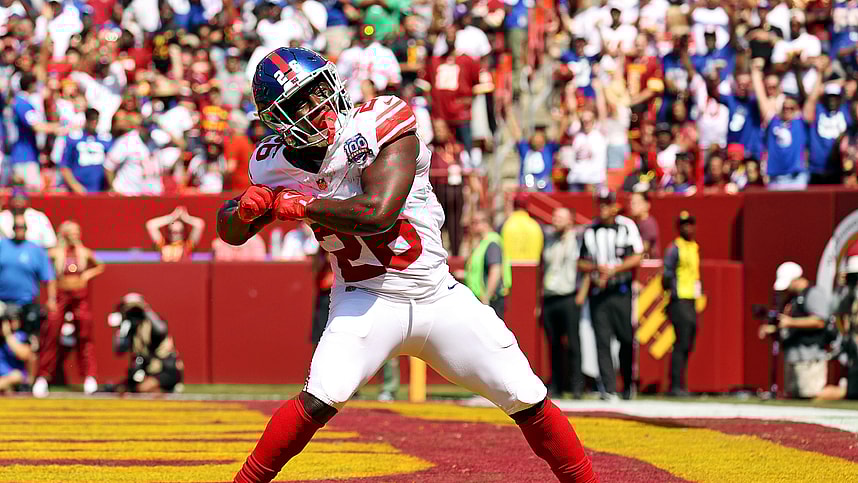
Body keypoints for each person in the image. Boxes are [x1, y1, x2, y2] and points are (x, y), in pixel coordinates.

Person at [217, 47, 596, 483]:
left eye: (319, 89)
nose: (318, 105)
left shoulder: (381, 120)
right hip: (365, 299)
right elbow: (230, 230)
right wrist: (244, 212)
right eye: (300, 101)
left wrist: (300, 205)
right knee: (321, 395)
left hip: (437, 296)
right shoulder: (272, 164)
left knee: (525, 394)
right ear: (277, 119)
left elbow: (378, 211)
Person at [578, 188, 644, 401]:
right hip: (599, 293)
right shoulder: (590, 230)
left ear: (615, 205)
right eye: (601, 204)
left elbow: (637, 256)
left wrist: (614, 270)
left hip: (620, 291)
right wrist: (597, 269)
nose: (603, 208)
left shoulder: (627, 226)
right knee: (602, 340)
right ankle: (608, 387)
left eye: (607, 203)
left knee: (625, 338)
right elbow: (580, 261)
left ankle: (626, 385)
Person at [35, 221, 104, 398]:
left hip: (79, 297)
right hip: (60, 295)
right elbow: (43, 264)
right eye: (71, 232)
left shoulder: (84, 253)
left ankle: (90, 377)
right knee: (51, 332)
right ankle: (43, 377)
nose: (74, 235)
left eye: (76, 231)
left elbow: (100, 265)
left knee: (84, 334)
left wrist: (86, 275)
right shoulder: (56, 253)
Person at [760, 261, 833, 399]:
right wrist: (772, 328)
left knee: (812, 395)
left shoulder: (813, 293)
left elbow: (819, 321)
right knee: (795, 396)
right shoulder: (793, 299)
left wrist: (790, 322)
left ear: (797, 279)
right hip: (794, 354)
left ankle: (847, 391)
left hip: (809, 354)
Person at [542, 207, 588, 398]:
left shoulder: (577, 239)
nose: (555, 220)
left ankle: (577, 385)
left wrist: (581, 295)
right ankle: (557, 385)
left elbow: (586, 266)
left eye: (560, 217)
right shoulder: (549, 240)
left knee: (573, 343)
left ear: (570, 220)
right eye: (554, 216)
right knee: (554, 344)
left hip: (569, 295)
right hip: (550, 296)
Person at [107, 293, 184, 393]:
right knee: (121, 390)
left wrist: (145, 310)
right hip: (146, 371)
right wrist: (121, 329)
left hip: (167, 370)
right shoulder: (129, 328)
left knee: (142, 389)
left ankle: (168, 390)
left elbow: (161, 330)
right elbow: (119, 350)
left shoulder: (151, 324)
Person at [662, 211, 701, 397]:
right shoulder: (675, 248)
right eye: (684, 224)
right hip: (680, 300)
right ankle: (675, 384)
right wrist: (671, 295)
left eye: (690, 223)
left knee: (688, 343)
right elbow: (667, 274)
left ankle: (681, 384)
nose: (688, 227)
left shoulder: (693, 247)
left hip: (691, 299)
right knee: (681, 342)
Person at [465, 209, 513, 320]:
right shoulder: (483, 243)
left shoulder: (492, 242)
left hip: (490, 300)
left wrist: (487, 297)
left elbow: (495, 270)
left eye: (474, 222)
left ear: (485, 223)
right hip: (482, 298)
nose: (472, 226)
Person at [60, 108, 113, 193]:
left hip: (101, 190)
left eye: (96, 119)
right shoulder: (74, 138)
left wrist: (110, 186)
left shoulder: (106, 139)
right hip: (78, 191)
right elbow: (64, 166)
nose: (93, 122)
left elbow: (112, 165)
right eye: (91, 118)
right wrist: (76, 187)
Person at [0, 303, 35, 394]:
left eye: (17, 318)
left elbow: (24, 355)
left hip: (15, 378)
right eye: (10, 319)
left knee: (16, 376)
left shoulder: (21, 336)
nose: (14, 321)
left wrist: (8, 335)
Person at [500, 193, 544, 264]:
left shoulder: (505, 225)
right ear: (528, 206)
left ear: (514, 205)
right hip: (532, 271)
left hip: (509, 272)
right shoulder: (536, 226)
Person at [628, 190, 660, 259]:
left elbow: (642, 249)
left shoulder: (648, 224)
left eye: (635, 203)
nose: (631, 205)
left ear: (646, 205)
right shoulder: (635, 223)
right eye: (631, 203)